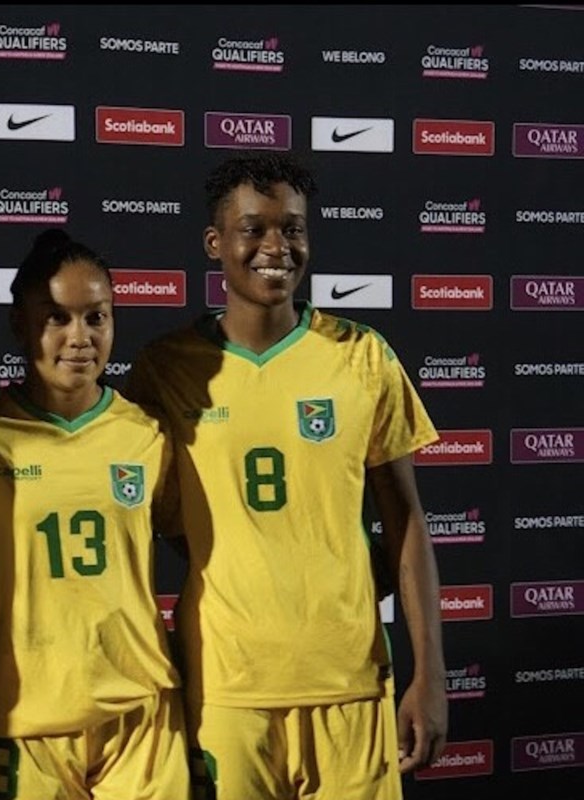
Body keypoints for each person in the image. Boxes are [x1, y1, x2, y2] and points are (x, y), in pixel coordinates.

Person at [125, 152, 447, 800]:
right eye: (254, 228)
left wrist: (432, 672)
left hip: (350, 682)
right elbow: (150, 518)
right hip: (227, 687)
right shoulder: (165, 368)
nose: (276, 246)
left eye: (292, 229)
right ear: (215, 243)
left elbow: (406, 521)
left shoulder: (362, 357)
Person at [0, 229, 190, 799]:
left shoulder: (148, 435)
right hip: (27, 714)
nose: (79, 338)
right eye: (56, 318)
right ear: (20, 326)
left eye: (96, 318)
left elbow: (202, 540)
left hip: (143, 712)